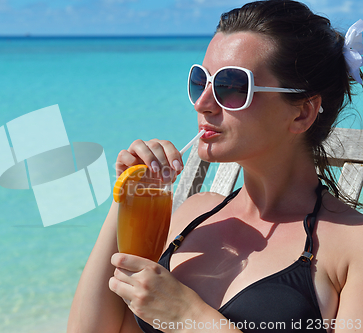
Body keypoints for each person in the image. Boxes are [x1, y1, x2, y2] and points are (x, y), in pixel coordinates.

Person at [68, 1, 363, 332]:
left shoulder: (353, 245)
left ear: (302, 113)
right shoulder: (192, 216)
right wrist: (126, 196)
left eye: (231, 87)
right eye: (200, 81)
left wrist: (192, 320)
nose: (202, 103)